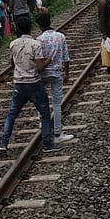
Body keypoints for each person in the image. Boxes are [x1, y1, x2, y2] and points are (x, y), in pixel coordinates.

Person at [0, 17, 63, 154]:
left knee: (12, 114)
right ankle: (47, 144)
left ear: (18, 29)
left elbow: (12, 64)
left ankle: (4, 143)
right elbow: (40, 68)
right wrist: (48, 60)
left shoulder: (13, 44)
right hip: (33, 84)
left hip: (19, 84)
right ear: (31, 28)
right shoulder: (35, 44)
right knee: (45, 113)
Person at [36, 12, 73, 144]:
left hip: (43, 74)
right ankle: (58, 133)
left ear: (39, 26)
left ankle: (43, 123)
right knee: (57, 104)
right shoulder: (60, 36)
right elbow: (66, 57)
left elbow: (38, 59)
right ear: (50, 21)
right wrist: (67, 74)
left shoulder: (38, 40)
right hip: (57, 74)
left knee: (42, 101)